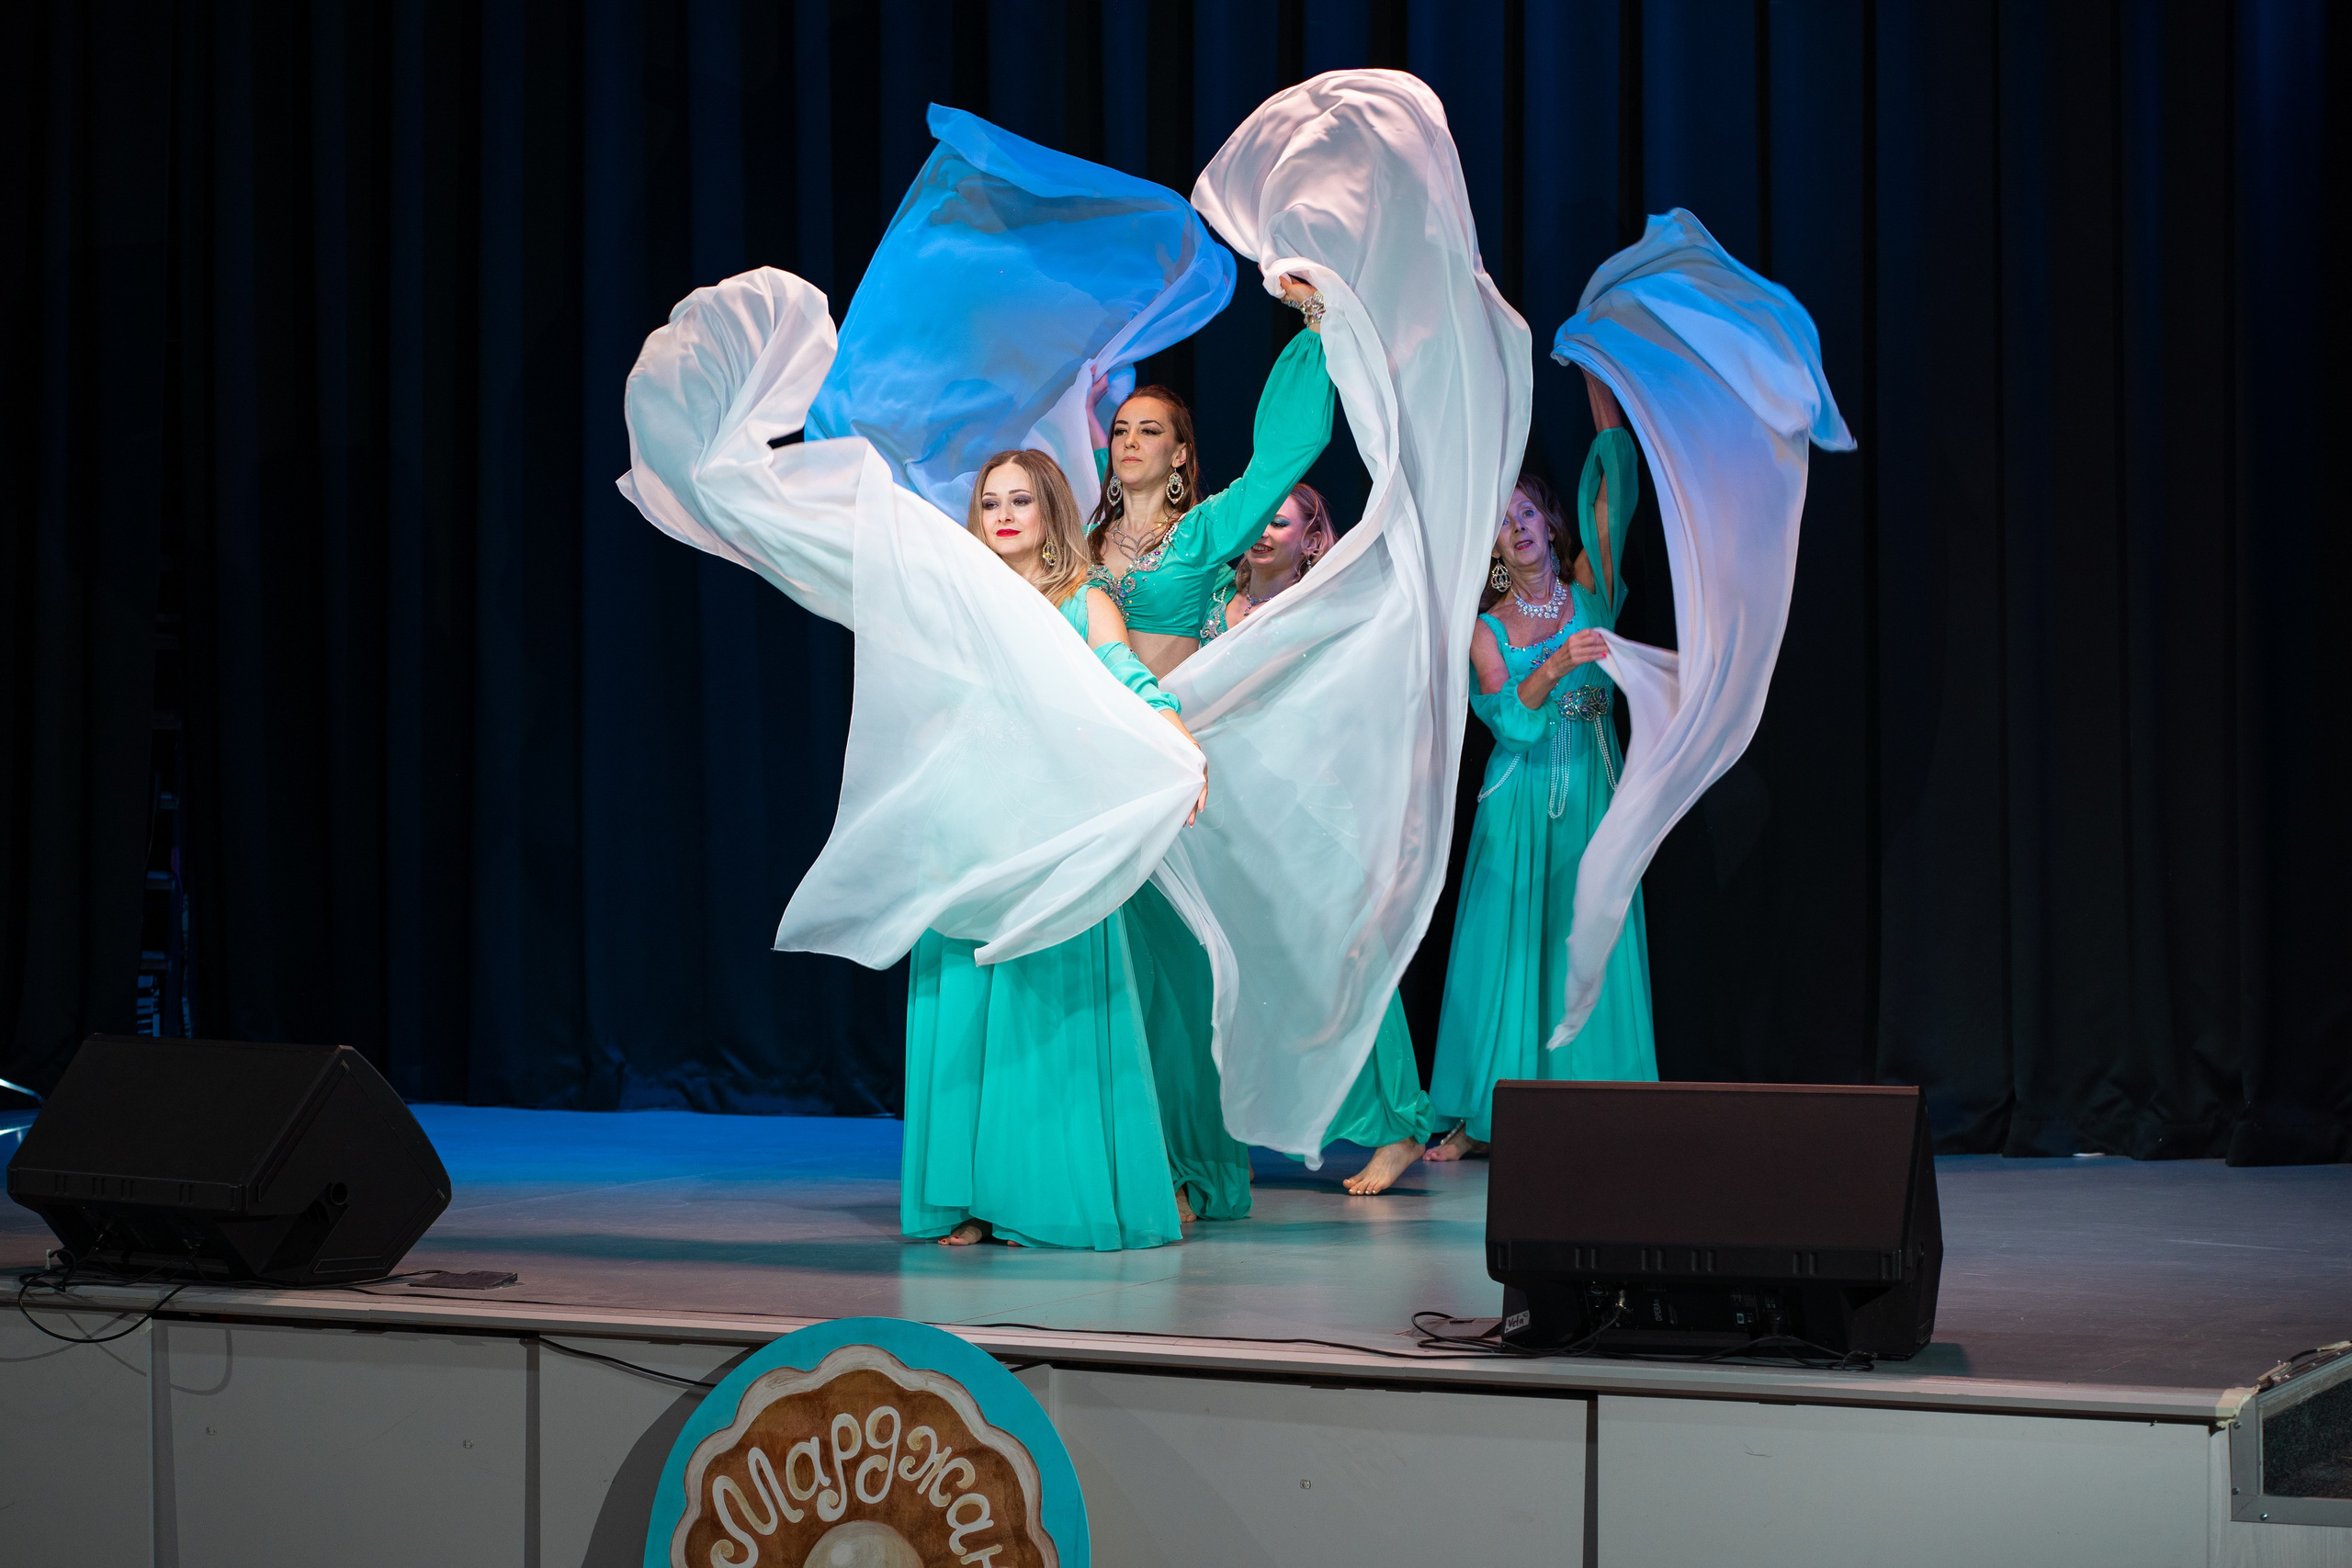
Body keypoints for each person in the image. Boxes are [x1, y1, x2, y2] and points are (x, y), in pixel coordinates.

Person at [900, 449, 1207, 1249]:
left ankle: (1033, 1192)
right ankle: (967, 1193)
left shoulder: (1083, 598)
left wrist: (1176, 737)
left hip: (1050, 830)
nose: (1003, 514)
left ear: (1049, 514)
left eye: (1020, 501)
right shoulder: (961, 600)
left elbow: (1127, 677)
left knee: (1041, 1010)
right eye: (990, 501)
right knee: (970, 1012)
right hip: (972, 826)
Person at [1085, 294, 1340, 1224]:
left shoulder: (1203, 533)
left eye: (1149, 430)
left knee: (1178, 983)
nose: (1130, 440)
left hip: (1170, 774)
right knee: (1107, 983)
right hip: (1092, 782)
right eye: (1120, 428)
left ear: (1182, 455)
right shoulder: (1081, 540)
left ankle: (1190, 1169)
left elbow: (1284, 456)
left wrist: (1312, 341)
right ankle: (1118, 1157)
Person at [1426, 372, 1658, 1161]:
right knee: (1508, 946)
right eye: (1501, 519)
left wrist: (1603, 375)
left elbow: (1615, 485)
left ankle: (1599, 1103)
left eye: (1526, 510)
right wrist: (1557, 663)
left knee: (1590, 934)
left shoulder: (1593, 590)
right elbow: (1511, 717)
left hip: (1594, 788)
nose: (1517, 525)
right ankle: (1479, 1113)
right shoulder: (1483, 626)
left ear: (1548, 520)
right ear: (1489, 544)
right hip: (1520, 797)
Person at [1201, 483, 1435, 1196]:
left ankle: (1399, 1125)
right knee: (1227, 967)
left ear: (1310, 537)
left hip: (1311, 810)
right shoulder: (1212, 601)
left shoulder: (1324, 608)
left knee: (1348, 961)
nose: (1265, 532)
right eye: (1260, 519)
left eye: (1282, 520)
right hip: (1226, 812)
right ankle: (1226, 1129)